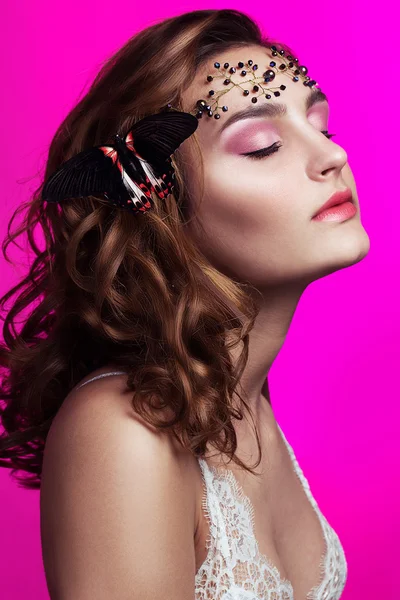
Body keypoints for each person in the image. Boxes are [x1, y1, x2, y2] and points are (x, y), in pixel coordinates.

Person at [0, 8, 370, 600]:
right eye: (262, 145)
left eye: (321, 127)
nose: (334, 157)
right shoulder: (123, 431)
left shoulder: (247, 405)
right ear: (163, 208)